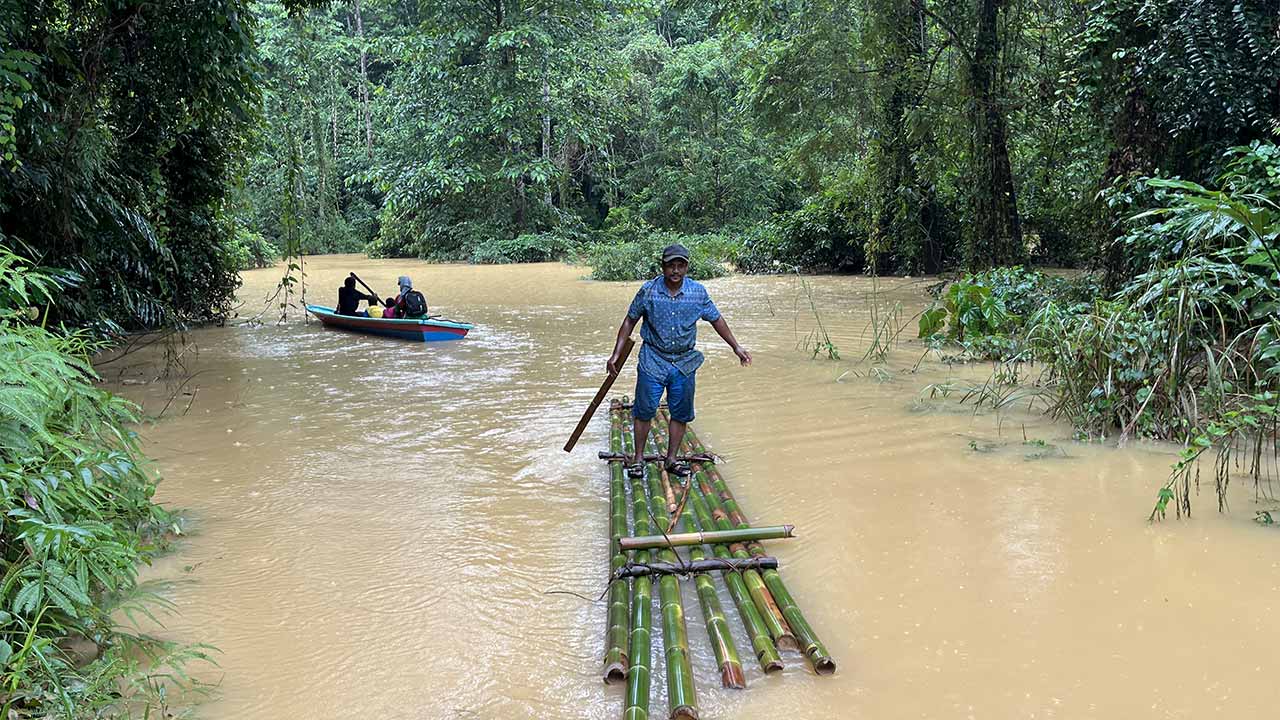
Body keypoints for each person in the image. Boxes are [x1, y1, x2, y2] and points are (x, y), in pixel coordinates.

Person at [606, 243, 751, 479]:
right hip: (653, 358)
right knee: (644, 410)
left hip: (684, 362)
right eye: (670, 266)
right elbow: (629, 321)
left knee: (681, 412)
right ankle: (639, 458)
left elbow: (717, 320)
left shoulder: (698, 292)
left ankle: (671, 459)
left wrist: (736, 347)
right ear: (662, 267)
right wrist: (615, 354)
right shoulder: (648, 291)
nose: (675, 270)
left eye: (680, 266)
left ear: (686, 267)